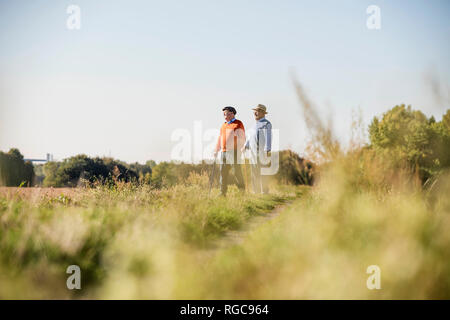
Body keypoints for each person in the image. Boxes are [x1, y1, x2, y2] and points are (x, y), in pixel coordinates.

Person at [214, 106, 246, 196]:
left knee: (237, 172)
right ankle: (222, 193)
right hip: (224, 152)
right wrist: (216, 150)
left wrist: (241, 146)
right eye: (224, 114)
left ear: (232, 113)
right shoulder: (223, 125)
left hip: (234, 152)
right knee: (223, 173)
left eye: (227, 114)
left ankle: (242, 192)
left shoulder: (238, 123)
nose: (225, 116)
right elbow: (220, 138)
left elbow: (242, 137)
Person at [242, 104, 272, 194]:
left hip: (262, 153)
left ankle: (265, 192)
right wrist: (245, 146)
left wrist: (268, 151)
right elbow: (250, 138)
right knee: (254, 173)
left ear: (263, 113)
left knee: (263, 173)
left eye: (257, 111)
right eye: (255, 111)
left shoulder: (267, 124)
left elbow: (268, 138)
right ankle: (256, 192)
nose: (255, 113)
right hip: (253, 153)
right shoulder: (254, 125)